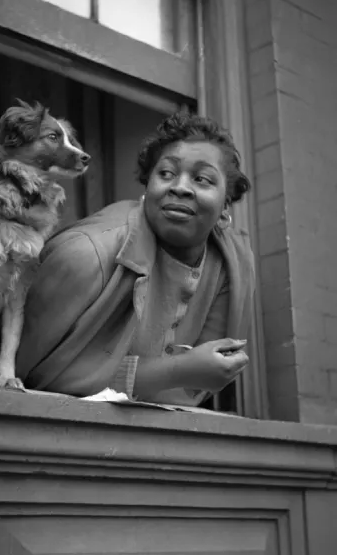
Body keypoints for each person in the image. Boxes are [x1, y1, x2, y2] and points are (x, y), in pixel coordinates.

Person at [15, 111, 255, 406]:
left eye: (202, 179)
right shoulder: (84, 255)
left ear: (226, 203)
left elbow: (190, 390)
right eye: (165, 173)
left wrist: (179, 375)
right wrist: (178, 370)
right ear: (147, 185)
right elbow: (31, 376)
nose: (179, 187)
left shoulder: (230, 266)